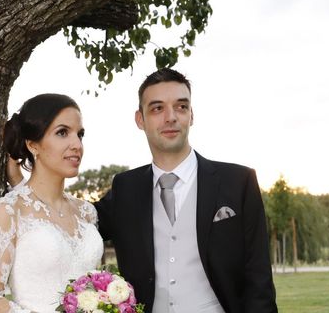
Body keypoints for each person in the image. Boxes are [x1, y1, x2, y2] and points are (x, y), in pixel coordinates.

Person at [95, 68, 277, 313]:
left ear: (191, 115)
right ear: (140, 120)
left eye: (181, 107)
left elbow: (259, 279)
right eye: (157, 108)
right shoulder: (125, 187)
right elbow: (71, 223)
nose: (171, 117)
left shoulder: (239, 181)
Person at [0, 93, 103, 313]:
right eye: (62, 133)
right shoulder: (7, 211)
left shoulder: (86, 212)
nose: (76, 144)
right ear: (33, 145)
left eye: (80, 134)